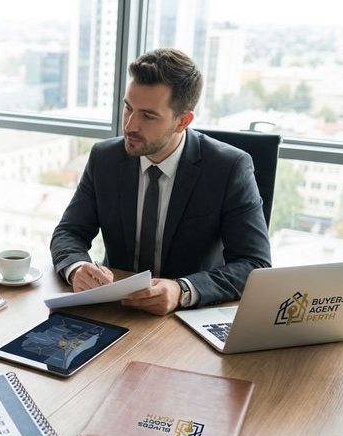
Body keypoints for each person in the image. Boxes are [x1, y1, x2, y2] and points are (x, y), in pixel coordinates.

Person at [50, 48, 271, 316]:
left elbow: (254, 264)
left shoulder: (229, 168)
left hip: (187, 318)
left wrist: (183, 290)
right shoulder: (104, 158)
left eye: (148, 116)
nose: (130, 125)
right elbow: (69, 232)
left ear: (183, 121)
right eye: (128, 108)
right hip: (118, 308)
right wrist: (77, 268)